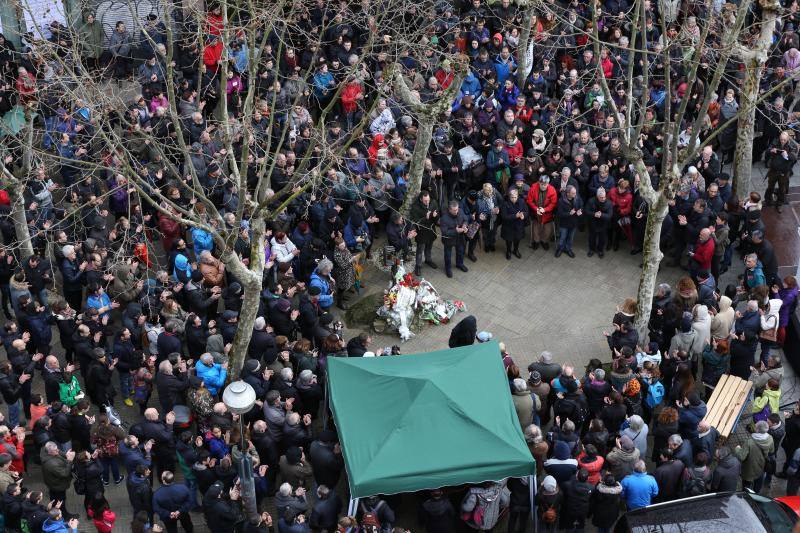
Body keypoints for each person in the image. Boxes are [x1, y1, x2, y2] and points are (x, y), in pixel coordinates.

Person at [439, 200, 470, 278]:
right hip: (448, 240)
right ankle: (448, 268)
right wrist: (455, 230)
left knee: (460, 252)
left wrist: (465, 225)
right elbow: (444, 232)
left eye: (457, 209)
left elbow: (466, 219)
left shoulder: (460, 211)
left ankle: (460, 264)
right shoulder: (444, 218)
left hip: (459, 238)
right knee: (448, 255)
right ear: (449, 210)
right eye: (454, 210)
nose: (457, 211)